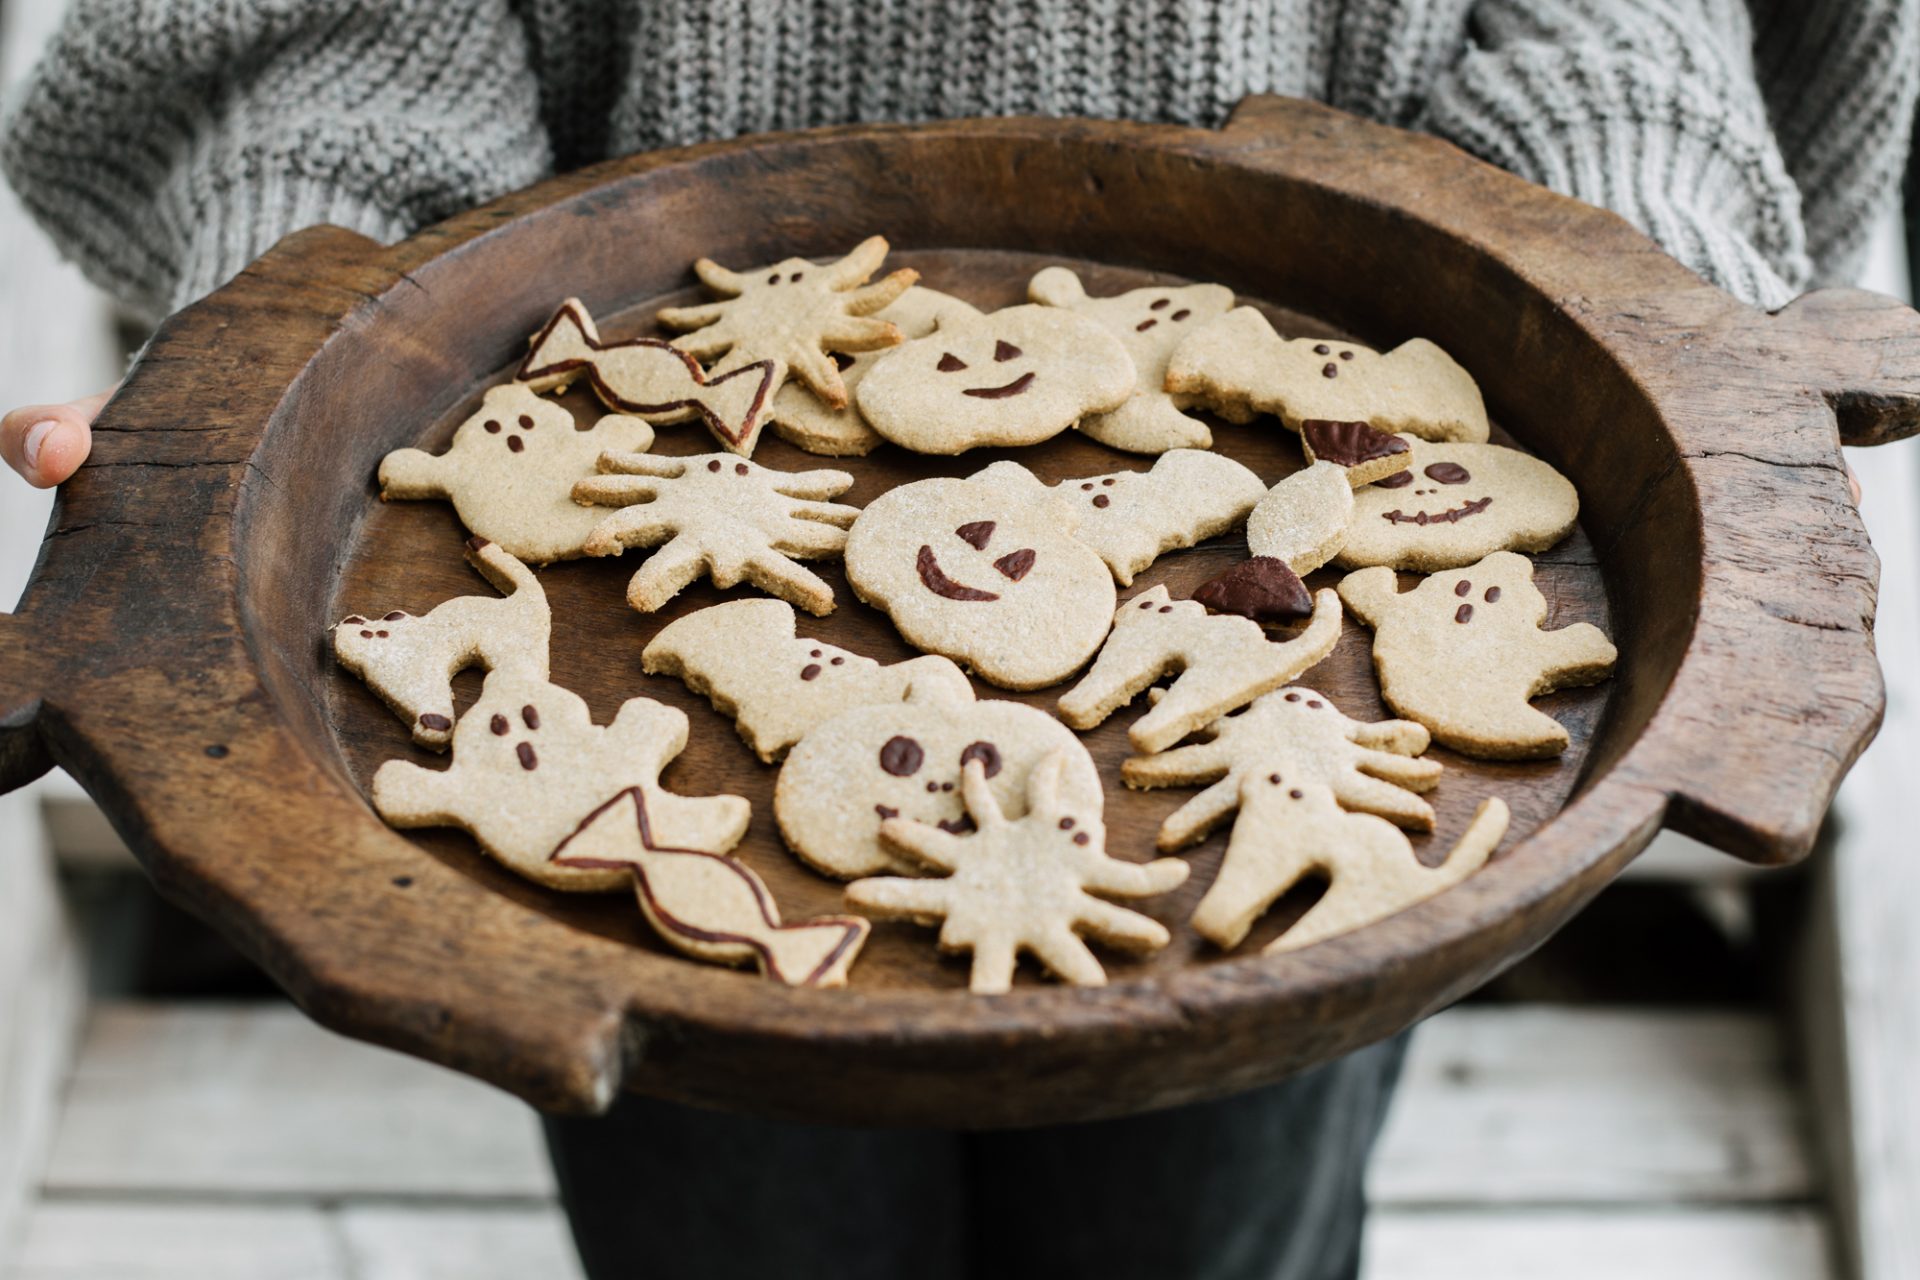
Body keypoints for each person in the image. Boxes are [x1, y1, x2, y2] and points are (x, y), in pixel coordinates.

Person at [0, 4, 1911, 1278]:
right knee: (731, 1221)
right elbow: (336, 37)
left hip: (1326, 571)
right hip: (638, 446)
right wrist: (303, 311)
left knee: (1217, 1218)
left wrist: (1610, 276)